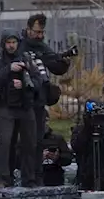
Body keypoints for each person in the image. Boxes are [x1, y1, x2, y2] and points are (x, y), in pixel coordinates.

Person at [0, 31, 39, 187]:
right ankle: (2, 177)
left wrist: (24, 84)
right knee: (5, 142)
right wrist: (9, 68)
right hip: (6, 106)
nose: (11, 45)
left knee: (29, 143)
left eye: (14, 42)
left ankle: (29, 178)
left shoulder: (27, 58)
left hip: (25, 106)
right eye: (8, 42)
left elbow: (38, 81)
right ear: (4, 43)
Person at [20, 13, 71, 141]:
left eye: (42, 32)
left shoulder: (42, 46)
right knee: (25, 140)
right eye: (37, 32)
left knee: (38, 139)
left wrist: (64, 62)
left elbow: (55, 66)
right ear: (28, 30)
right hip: (22, 100)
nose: (40, 36)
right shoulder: (19, 46)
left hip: (40, 99)